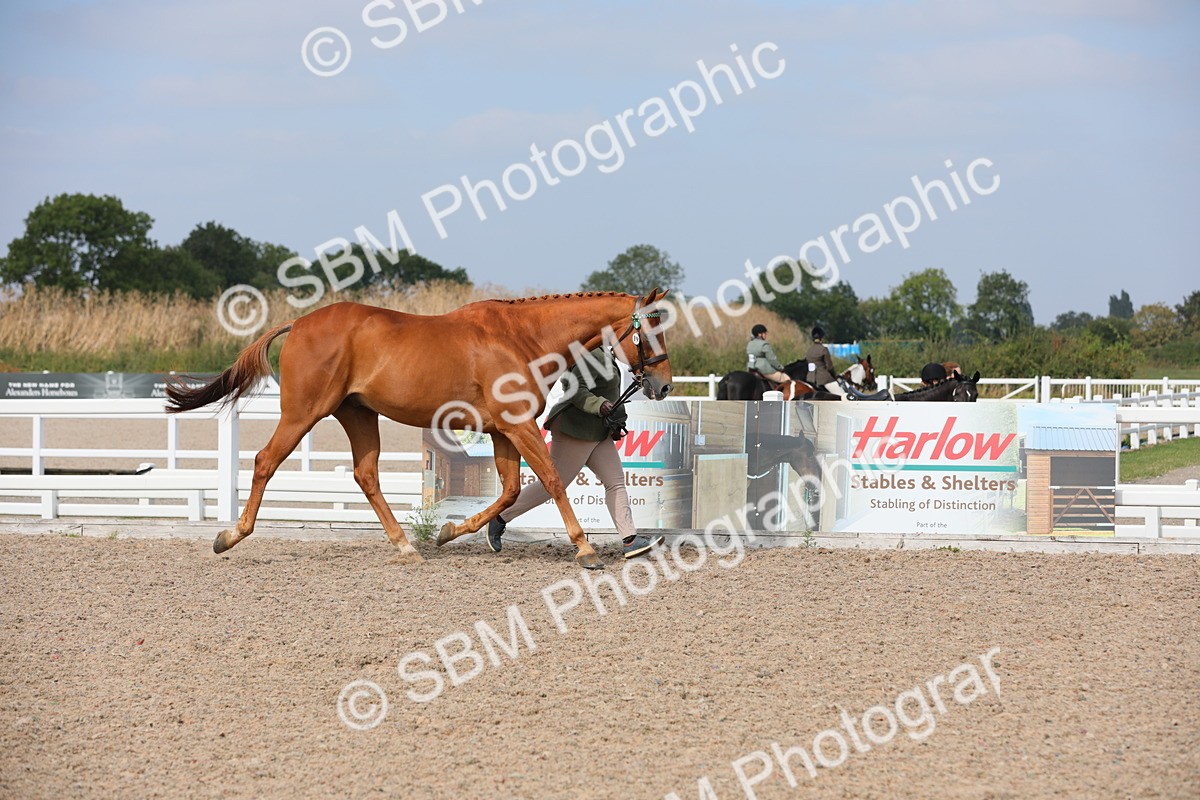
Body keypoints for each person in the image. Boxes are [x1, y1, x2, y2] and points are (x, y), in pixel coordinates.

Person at [486, 346, 664, 560]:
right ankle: (499, 517)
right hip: (575, 429)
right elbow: (574, 388)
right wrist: (599, 405)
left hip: (597, 431)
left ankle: (630, 540)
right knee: (551, 487)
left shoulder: (605, 352)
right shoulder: (586, 351)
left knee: (615, 482)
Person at [804, 326, 842, 395]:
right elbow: (830, 367)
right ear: (822, 338)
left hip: (810, 379)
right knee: (841, 395)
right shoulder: (824, 349)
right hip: (824, 379)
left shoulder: (808, 350)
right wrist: (834, 376)